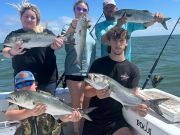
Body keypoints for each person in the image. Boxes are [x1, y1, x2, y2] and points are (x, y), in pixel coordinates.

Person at [82, 27, 148, 135]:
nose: (118, 44)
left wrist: (139, 109)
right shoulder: (98, 64)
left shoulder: (133, 69)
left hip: (115, 120)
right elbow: (86, 91)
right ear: (109, 42)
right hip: (93, 118)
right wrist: (96, 92)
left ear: (126, 42)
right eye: (114, 40)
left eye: (121, 40)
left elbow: (132, 98)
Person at [2, 0, 63, 95]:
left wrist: (57, 45)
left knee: (46, 108)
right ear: (21, 18)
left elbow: (53, 47)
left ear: (37, 20)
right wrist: (11, 52)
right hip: (24, 80)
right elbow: (5, 51)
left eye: (32, 17)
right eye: (26, 16)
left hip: (47, 78)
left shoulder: (46, 33)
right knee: (26, 107)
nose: (29, 19)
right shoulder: (13, 35)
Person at [5, 70, 82, 135]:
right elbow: (9, 115)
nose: (24, 87)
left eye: (28, 83)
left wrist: (70, 118)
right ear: (16, 89)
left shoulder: (46, 96)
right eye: (19, 85)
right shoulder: (18, 100)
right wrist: (30, 112)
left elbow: (59, 119)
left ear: (35, 84)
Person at [61, 0, 96, 134]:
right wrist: (72, 27)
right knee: (78, 107)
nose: (81, 11)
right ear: (74, 10)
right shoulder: (68, 26)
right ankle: (77, 133)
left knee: (86, 107)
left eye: (84, 10)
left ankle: (84, 131)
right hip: (75, 71)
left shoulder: (89, 29)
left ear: (87, 12)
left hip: (90, 74)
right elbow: (63, 39)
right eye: (79, 9)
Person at [95, 0, 165, 61]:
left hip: (125, 63)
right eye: (106, 8)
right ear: (103, 11)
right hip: (106, 63)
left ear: (116, 9)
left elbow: (145, 24)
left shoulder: (128, 23)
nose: (109, 9)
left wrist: (157, 19)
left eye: (112, 7)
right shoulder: (99, 26)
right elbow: (103, 41)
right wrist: (118, 25)